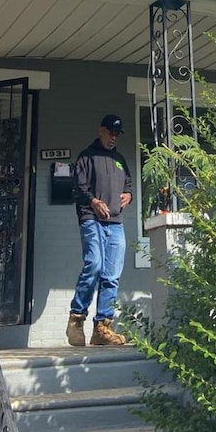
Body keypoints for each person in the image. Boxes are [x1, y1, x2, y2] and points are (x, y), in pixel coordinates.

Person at [66, 113, 133, 346]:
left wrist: (129, 195)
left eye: (117, 134)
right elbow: (78, 188)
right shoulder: (87, 157)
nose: (113, 137)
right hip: (91, 219)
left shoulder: (120, 160)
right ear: (101, 130)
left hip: (115, 222)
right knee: (94, 264)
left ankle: (102, 328)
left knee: (112, 275)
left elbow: (128, 185)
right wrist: (94, 201)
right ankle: (76, 319)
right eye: (110, 132)